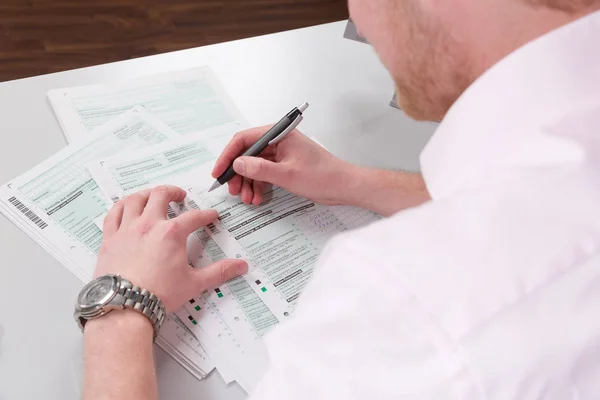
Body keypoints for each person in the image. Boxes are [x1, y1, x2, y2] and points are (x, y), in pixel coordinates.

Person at [82, 0, 600, 399]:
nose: (357, 19)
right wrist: (354, 181)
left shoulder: (404, 298)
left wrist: (122, 305)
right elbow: (529, 205)